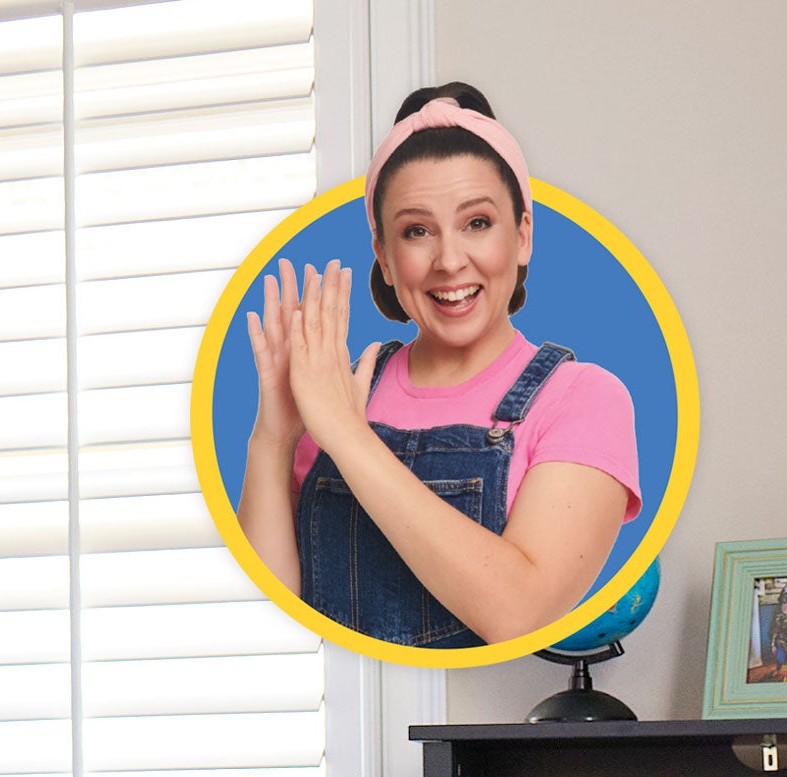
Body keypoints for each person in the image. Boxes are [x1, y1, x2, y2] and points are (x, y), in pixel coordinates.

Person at [236, 83, 640, 648]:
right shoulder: (335, 394)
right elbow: (269, 630)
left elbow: (518, 613)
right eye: (417, 231)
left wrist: (349, 436)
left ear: (523, 235)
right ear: (384, 256)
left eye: (477, 223)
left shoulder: (583, 398)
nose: (449, 260)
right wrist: (275, 439)